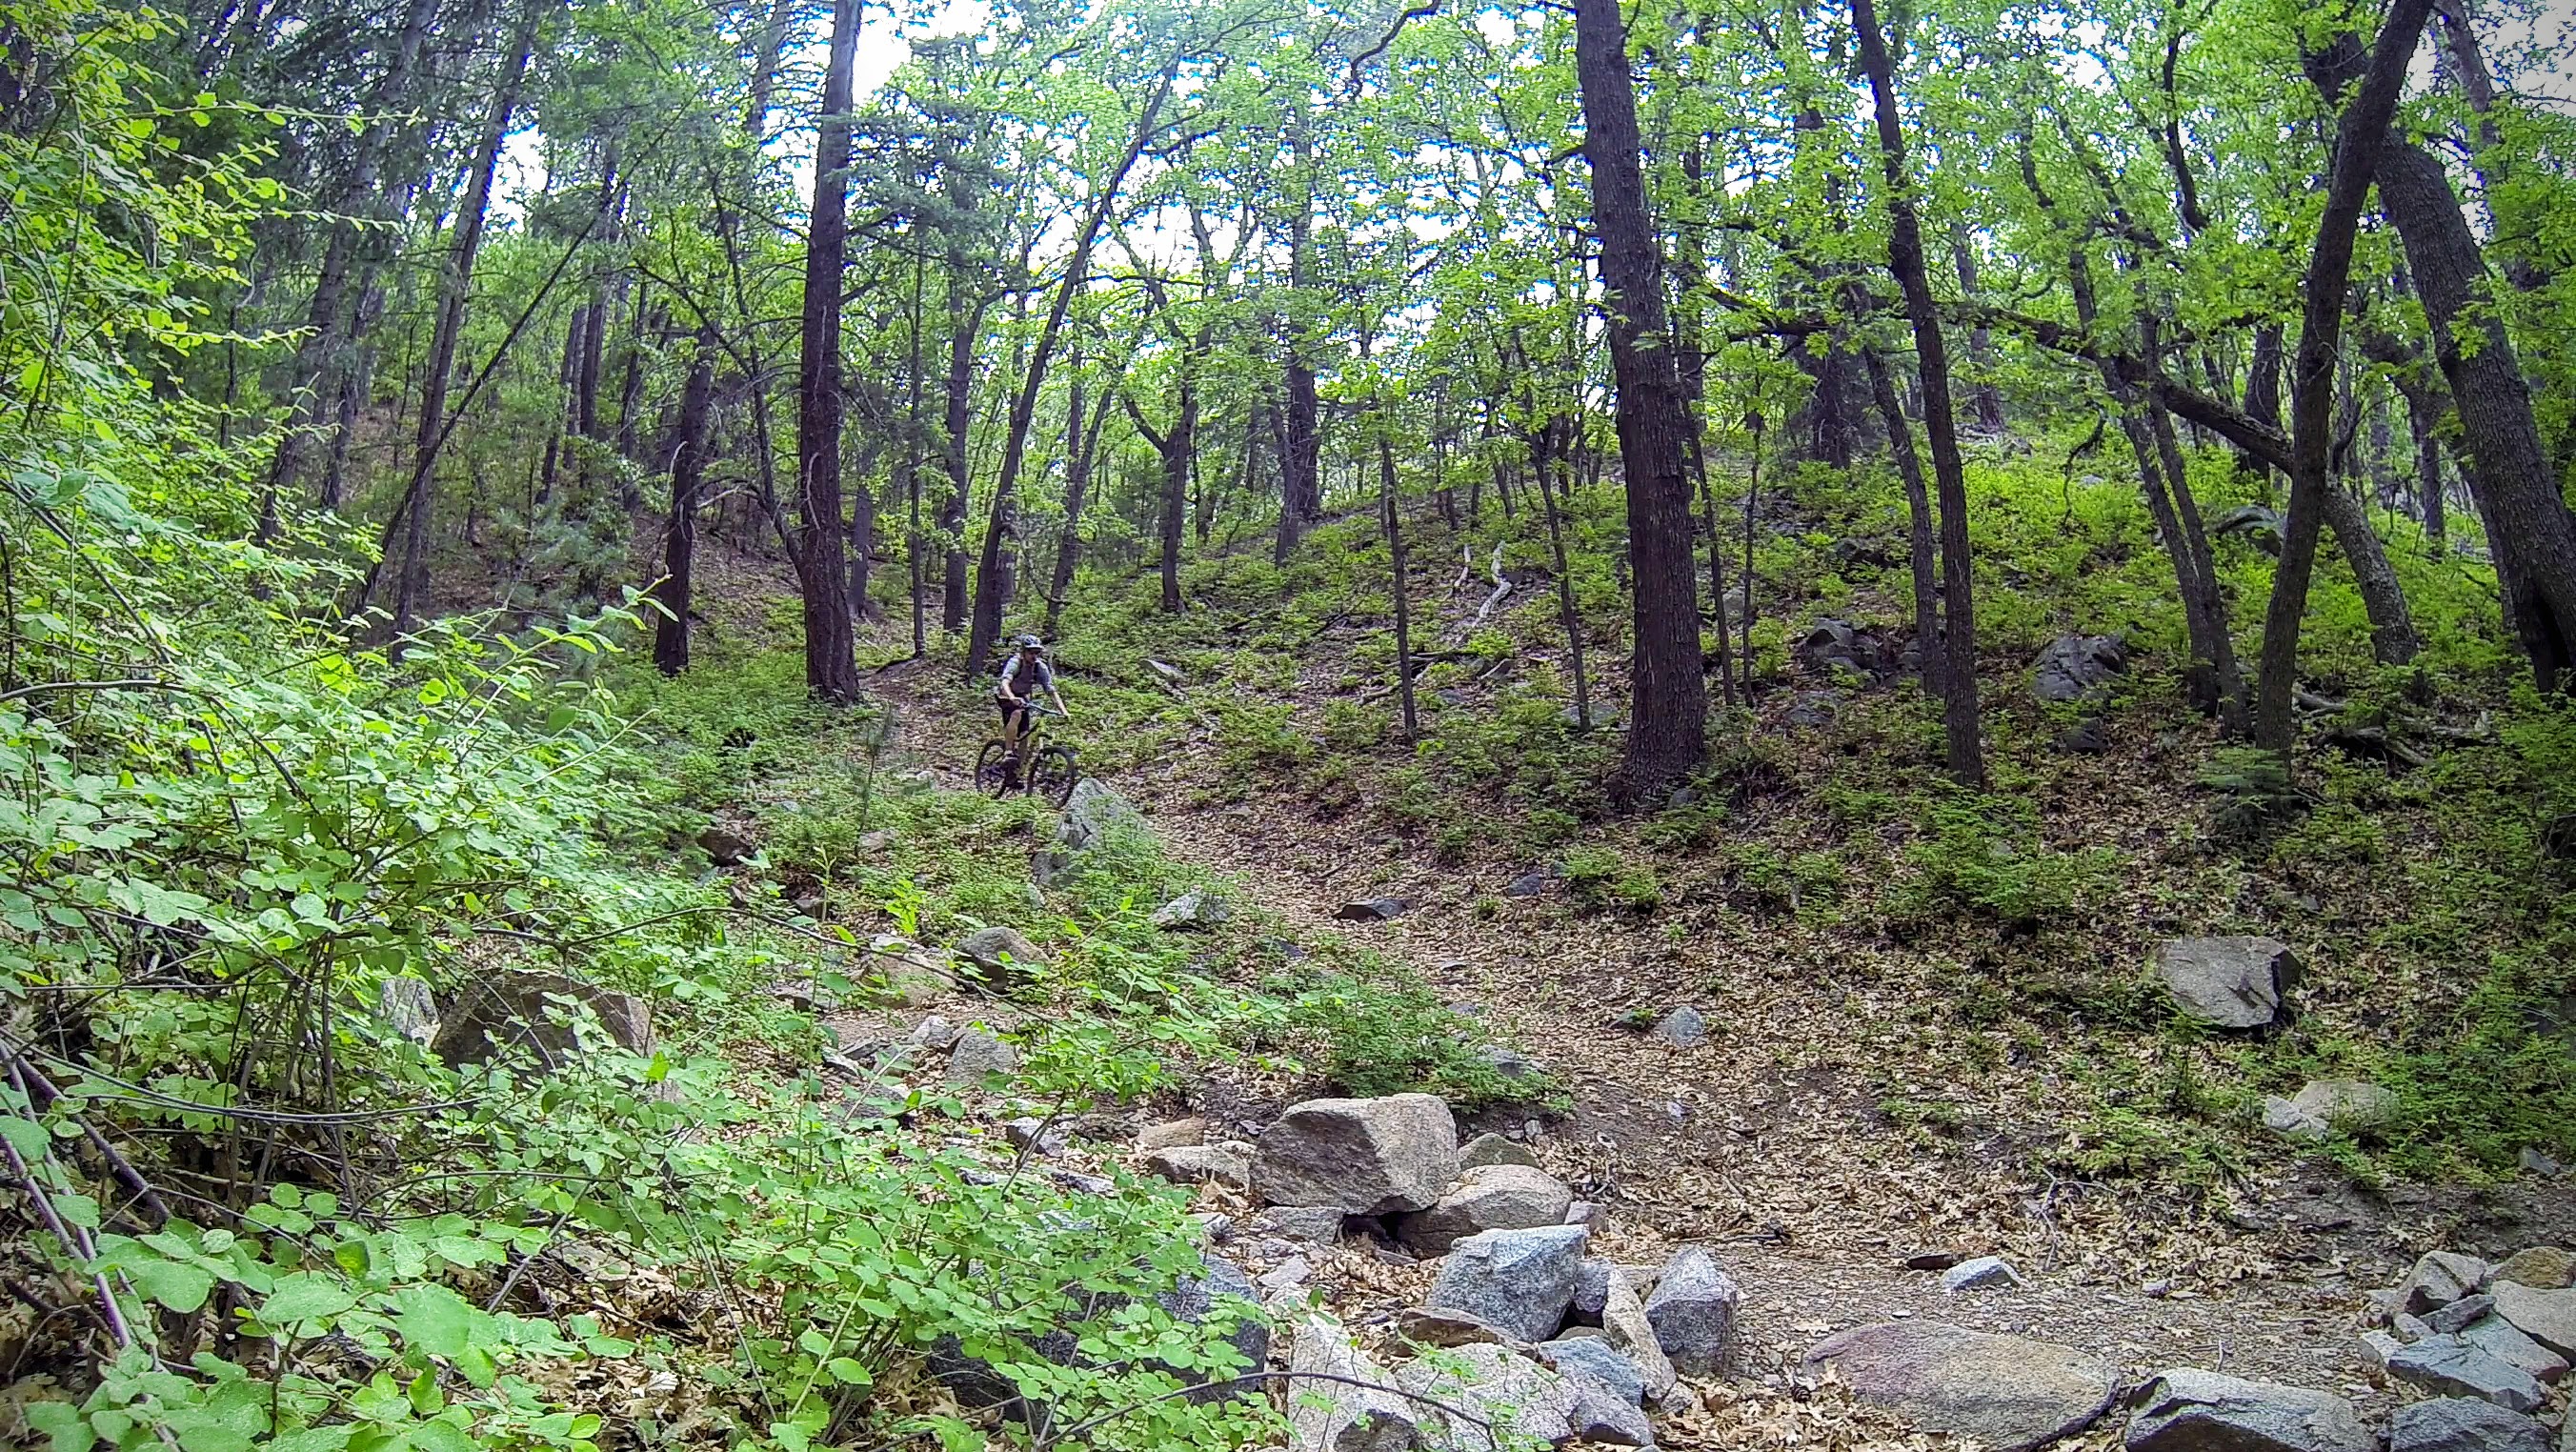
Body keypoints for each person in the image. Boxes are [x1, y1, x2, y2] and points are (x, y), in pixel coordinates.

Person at [995, 635, 1066, 782]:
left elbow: (1051, 690)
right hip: (1006, 695)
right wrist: (1011, 697)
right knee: (1016, 714)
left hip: (1022, 697)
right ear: (1024, 652)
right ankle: (1008, 752)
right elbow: (1005, 682)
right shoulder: (1015, 662)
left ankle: (1016, 772)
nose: (1034, 656)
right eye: (1031, 652)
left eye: (1036, 653)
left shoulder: (1040, 667)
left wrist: (1063, 711)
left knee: (1025, 734)